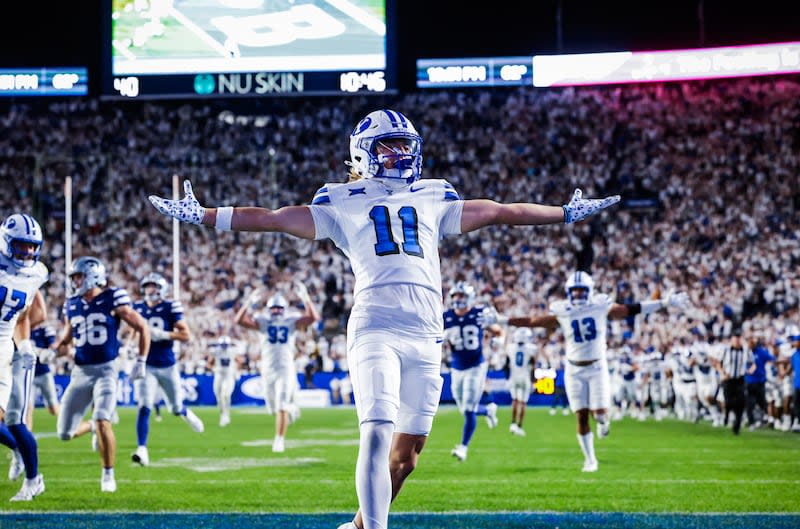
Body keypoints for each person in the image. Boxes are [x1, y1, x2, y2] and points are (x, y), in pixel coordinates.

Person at [148, 108, 620, 529]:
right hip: (376, 325)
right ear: (365, 152)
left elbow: (500, 211)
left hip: (427, 332)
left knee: (406, 457)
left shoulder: (434, 195)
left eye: (404, 145)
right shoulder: (341, 199)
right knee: (376, 430)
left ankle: (356, 526)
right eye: (390, 146)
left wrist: (564, 213)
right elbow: (274, 217)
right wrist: (206, 215)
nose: (400, 154)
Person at [503, 271, 689, 472]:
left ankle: (603, 421)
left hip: (596, 367)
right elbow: (532, 321)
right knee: (581, 416)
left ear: (590, 291)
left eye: (582, 291)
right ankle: (590, 460)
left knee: (599, 415)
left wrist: (663, 303)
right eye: (575, 291)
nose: (578, 295)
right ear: (568, 292)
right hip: (574, 368)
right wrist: (501, 319)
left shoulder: (600, 305)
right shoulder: (563, 310)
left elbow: (630, 309)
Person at [53, 256, 151, 492]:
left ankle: (108, 474)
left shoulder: (112, 297)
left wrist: (141, 360)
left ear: (92, 275)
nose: (75, 282)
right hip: (80, 373)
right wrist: (54, 352)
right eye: (74, 278)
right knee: (64, 433)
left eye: (79, 276)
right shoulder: (71, 304)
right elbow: (66, 339)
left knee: (103, 418)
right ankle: (92, 428)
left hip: (107, 370)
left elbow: (142, 326)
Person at [234, 283, 320, 452]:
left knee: (281, 405)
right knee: (273, 408)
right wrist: (249, 303)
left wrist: (306, 299)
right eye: (273, 308)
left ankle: (279, 439)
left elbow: (313, 318)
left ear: (285, 309)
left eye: (279, 308)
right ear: (268, 309)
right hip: (267, 370)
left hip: (285, 368)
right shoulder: (263, 322)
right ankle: (292, 409)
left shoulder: (291, 321)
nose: (276, 311)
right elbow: (239, 321)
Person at [131, 272, 204, 467]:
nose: (150, 290)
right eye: (147, 286)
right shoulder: (137, 307)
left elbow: (186, 335)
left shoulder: (170, 306)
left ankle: (185, 413)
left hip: (167, 365)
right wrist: (131, 346)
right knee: (144, 406)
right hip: (147, 364)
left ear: (162, 289)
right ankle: (142, 449)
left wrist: (163, 334)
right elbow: (132, 332)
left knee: (175, 407)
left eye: (153, 286)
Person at [0, 213, 49, 501]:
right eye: (21, 245)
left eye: (32, 246)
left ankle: (33, 479)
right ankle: (18, 449)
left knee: (14, 420)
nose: (28, 252)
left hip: (4, 345)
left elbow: (27, 314)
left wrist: (26, 343)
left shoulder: (37, 273)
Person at [442, 281, 502, 461]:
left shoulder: (479, 314)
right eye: (456, 296)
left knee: (468, 408)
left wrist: (498, 341)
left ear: (470, 298)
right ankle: (488, 410)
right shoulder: (446, 317)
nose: (458, 299)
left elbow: (498, 331)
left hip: (476, 365)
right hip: (456, 366)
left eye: (462, 296)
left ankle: (463, 447)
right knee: (463, 408)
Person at [713, 331, 754, 435]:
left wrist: (750, 370)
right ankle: (726, 415)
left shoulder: (746, 350)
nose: (737, 340)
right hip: (728, 379)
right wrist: (722, 373)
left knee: (741, 402)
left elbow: (753, 363)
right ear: (732, 339)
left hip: (740, 379)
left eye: (738, 338)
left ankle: (737, 426)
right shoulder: (725, 350)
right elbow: (717, 363)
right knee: (728, 402)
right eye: (735, 338)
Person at [24, 323, 60, 432]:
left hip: (44, 373)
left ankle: (70, 418)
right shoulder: (23, 327)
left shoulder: (45, 329)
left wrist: (48, 353)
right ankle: (25, 442)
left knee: (54, 409)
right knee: (28, 408)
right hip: (29, 374)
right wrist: (37, 351)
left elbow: (53, 347)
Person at [506, 327, 536, 436]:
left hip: (514, 376)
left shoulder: (510, 347)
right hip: (525, 377)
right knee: (523, 403)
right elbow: (533, 365)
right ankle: (519, 426)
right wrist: (533, 380)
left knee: (514, 400)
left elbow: (506, 363)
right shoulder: (530, 348)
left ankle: (512, 424)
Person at [208, 335, 240, 427]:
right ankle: (222, 415)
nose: (224, 346)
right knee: (218, 397)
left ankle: (227, 415)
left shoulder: (232, 351)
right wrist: (213, 369)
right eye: (223, 344)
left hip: (229, 375)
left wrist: (237, 372)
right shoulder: (216, 351)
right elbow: (209, 364)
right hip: (219, 375)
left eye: (226, 344)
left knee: (226, 395)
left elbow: (239, 361)